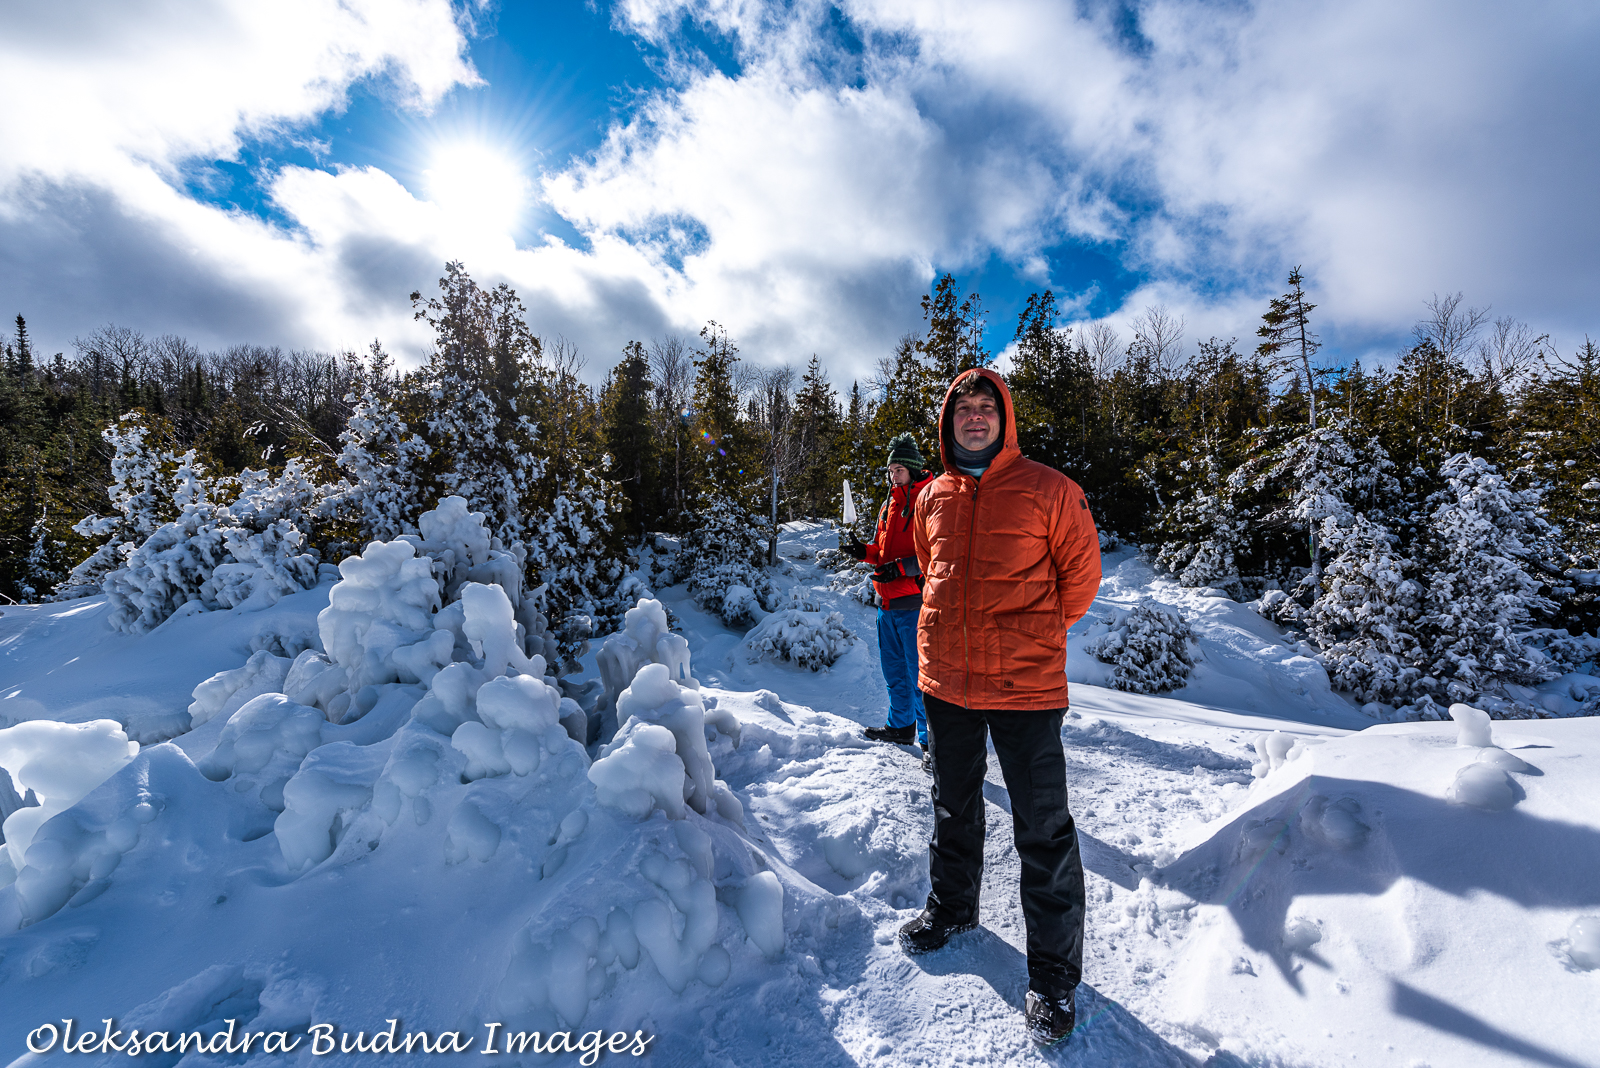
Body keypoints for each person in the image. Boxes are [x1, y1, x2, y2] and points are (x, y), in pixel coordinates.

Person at [900, 368, 1102, 1047]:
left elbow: (1081, 579)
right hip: (947, 684)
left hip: (1025, 687)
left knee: (1043, 831)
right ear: (949, 423)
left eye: (988, 407)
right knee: (952, 807)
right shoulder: (930, 496)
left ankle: (1051, 978)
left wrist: (1033, 635)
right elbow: (935, 572)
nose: (976, 417)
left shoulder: (1051, 489)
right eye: (965, 409)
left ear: (1005, 418)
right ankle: (952, 910)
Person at [842, 434, 936, 766]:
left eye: (900, 470)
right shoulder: (889, 505)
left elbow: (936, 555)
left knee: (919, 677)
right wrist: (863, 552)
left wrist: (902, 568)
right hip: (886, 607)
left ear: (912, 469)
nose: (894, 476)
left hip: (915, 606)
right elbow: (882, 553)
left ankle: (930, 744)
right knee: (894, 672)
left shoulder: (928, 501)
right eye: (891, 470)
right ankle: (901, 727)